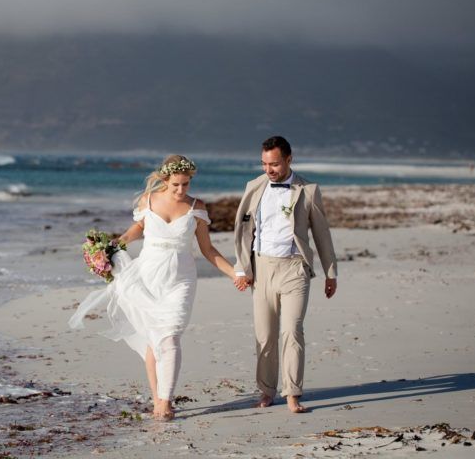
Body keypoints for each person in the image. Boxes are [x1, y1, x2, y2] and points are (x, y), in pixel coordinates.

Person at [69, 155, 237, 421]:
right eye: (176, 185)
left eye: (186, 184)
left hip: (180, 279)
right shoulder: (147, 201)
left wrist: (234, 273)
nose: (182, 190)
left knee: (169, 337)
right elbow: (134, 231)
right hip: (147, 276)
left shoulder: (197, 207)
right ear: (165, 180)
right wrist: (108, 249)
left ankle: (166, 401)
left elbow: (207, 249)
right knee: (153, 340)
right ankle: (157, 397)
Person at [232, 136, 338, 413]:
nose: (269, 169)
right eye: (265, 163)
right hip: (262, 269)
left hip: (294, 269)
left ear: (289, 159)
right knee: (265, 336)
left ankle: (292, 393)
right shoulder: (254, 187)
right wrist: (243, 268)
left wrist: (330, 272)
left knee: (292, 331)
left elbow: (321, 233)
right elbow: (244, 231)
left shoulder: (308, 190)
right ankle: (266, 391)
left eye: (275, 164)